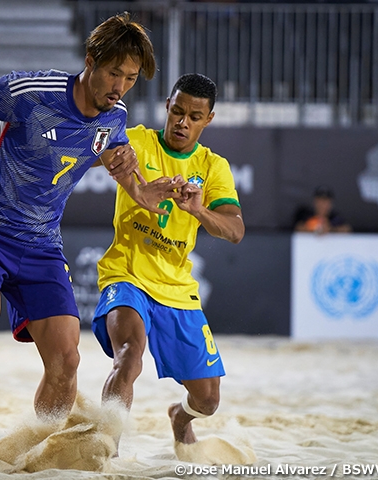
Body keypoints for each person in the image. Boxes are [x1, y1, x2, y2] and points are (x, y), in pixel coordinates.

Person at [0, 12, 184, 419]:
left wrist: (140, 189)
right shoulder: (33, 92)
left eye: (130, 78)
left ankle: (40, 445)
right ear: (91, 60)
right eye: (115, 73)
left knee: (68, 359)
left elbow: (113, 157)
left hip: (42, 243)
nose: (121, 87)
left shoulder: (114, 117)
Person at [91, 73, 245, 447]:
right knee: (128, 355)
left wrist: (198, 210)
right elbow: (85, 152)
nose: (183, 122)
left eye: (194, 116)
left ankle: (180, 416)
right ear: (167, 106)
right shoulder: (138, 140)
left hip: (177, 288)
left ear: (208, 119)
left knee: (208, 401)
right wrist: (106, 156)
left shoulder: (213, 168)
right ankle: (105, 447)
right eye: (177, 111)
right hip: (126, 275)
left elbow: (235, 230)